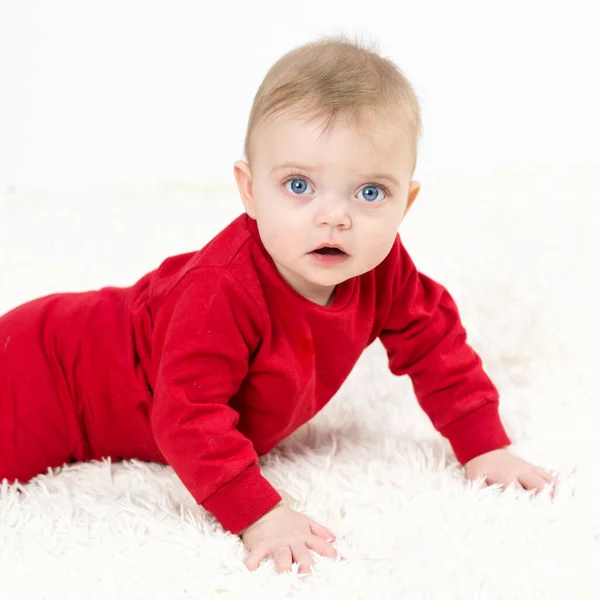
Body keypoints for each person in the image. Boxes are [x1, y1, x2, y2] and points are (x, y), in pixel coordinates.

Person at [0, 35, 558, 577]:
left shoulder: (382, 268)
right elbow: (187, 415)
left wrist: (485, 447)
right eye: (298, 186)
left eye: (369, 193)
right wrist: (260, 515)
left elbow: (435, 344)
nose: (334, 217)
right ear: (248, 190)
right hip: (54, 376)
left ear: (406, 202)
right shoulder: (221, 289)